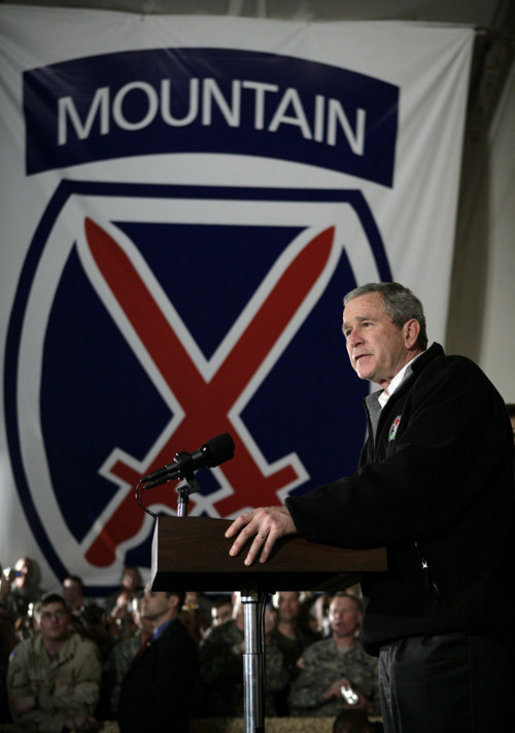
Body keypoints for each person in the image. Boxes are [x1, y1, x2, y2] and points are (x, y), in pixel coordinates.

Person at [225, 282, 515, 732]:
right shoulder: (385, 409)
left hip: (452, 634)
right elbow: (374, 508)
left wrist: (295, 514)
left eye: (365, 324)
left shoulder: (451, 382)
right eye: (345, 330)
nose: (352, 338)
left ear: (409, 331)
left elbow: (407, 485)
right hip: (403, 633)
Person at [7, 592, 101, 732]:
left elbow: (86, 703)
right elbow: (18, 709)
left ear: (68, 618)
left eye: (59, 613)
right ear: (37, 623)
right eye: (47, 615)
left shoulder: (86, 652)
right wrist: (63, 723)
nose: (54, 620)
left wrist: (36, 701)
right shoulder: (22, 653)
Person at [117, 586, 198, 733]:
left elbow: (167, 704)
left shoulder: (176, 643)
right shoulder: (159, 639)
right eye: (144, 594)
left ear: (173, 601)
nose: (144, 599)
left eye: (152, 595)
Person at [289, 592, 379, 717]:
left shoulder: (371, 655)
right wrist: (326, 694)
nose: (338, 616)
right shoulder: (314, 653)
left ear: (359, 616)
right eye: (334, 611)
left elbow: (387, 701)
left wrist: (368, 707)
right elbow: (295, 698)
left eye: (345, 611)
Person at [268, 590, 319, 715]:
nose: (287, 605)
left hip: (307, 710)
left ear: (299, 603)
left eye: (292, 600)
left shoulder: (311, 639)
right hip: (274, 711)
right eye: (282, 600)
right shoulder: (268, 640)